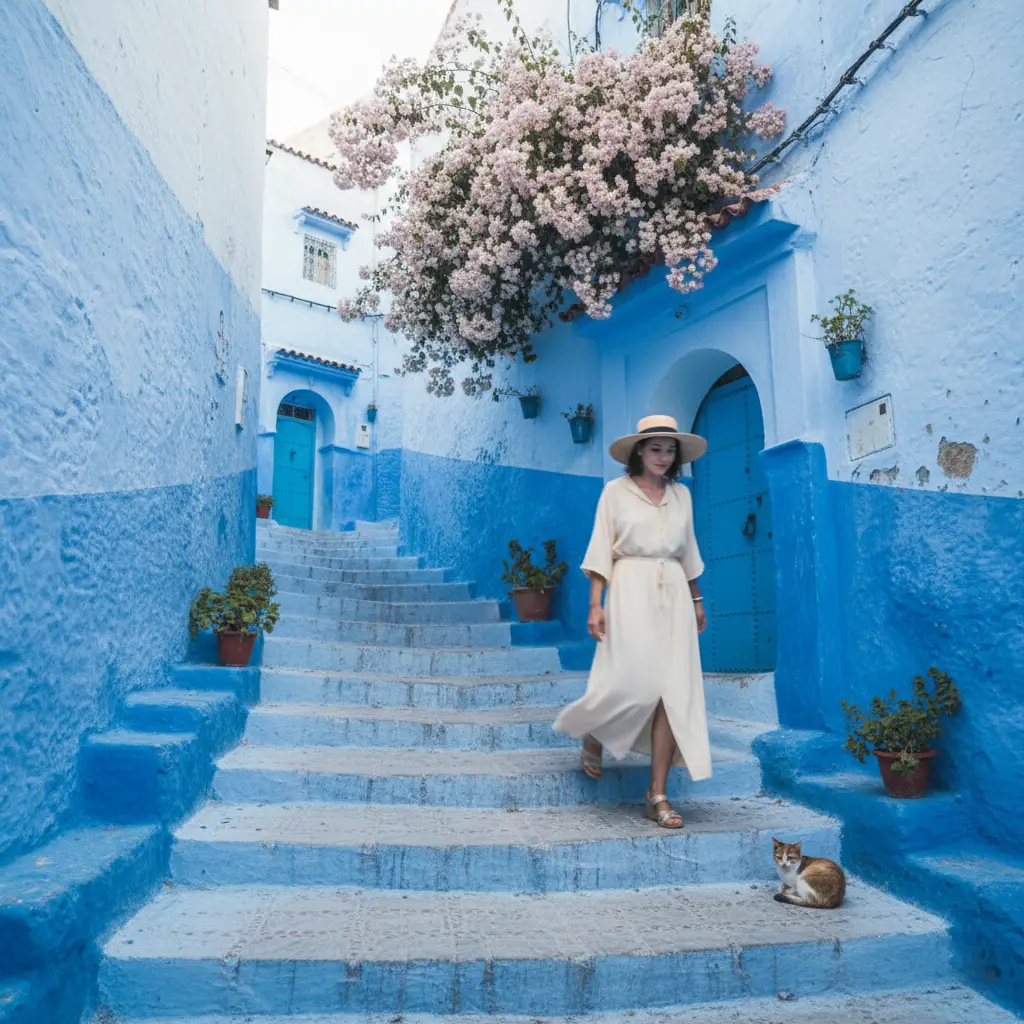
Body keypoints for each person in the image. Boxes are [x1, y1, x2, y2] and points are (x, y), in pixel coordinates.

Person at [553, 414, 710, 829]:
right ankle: (594, 732)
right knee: (630, 680)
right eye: (655, 447)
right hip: (629, 589)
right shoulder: (615, 493)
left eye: (669, 449)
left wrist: (696, 598)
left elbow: (688, 551)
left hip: (674, 592)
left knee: (673, 692)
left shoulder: (682, 496)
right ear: (639, 451)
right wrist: (595, 604)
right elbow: (601, 549)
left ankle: (657, 793)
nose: (663, 456)